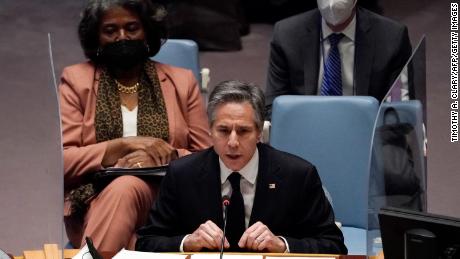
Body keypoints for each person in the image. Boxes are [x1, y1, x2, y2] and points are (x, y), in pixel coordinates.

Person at [59, 0, 211, 252]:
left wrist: (168, 156)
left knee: (127, 190)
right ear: (96, 36)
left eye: (131, 28)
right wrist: (123, 146)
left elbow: (207, 162)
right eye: (110, 31)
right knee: (127, 195)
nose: (122, 37)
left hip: (168, 201)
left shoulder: (182, 82)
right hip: (95, 201)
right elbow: (63, 162)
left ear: (147, 31)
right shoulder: (77, 81)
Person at [136, 80, 347, 254]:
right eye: (224, 130)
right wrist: (187, 242)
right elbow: (146, 242)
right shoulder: (182, 174)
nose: (233, 142)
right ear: (210, 130)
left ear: (259, 133)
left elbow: (333, 244)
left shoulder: (298, 175)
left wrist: (282, 245)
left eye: (244, 131)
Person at [265, 0, 412, 118]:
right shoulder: (286, 35)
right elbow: (273, 106)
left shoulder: (392, 38)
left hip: (364, 132)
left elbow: (397, 108)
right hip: (305, 129)